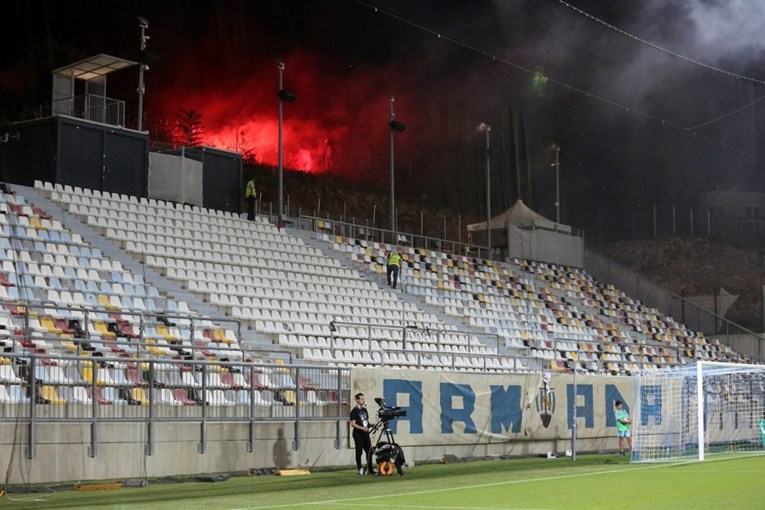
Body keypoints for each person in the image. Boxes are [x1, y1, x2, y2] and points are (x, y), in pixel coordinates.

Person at [350, 392, 374, 475]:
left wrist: (370, 425)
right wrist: (362, 428)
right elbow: (353, 424)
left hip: (366, 435)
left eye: (364, 399)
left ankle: (370, 469)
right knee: (359, 452)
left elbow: (366, 420)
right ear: (357, 400)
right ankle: (360, 469)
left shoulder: (364, 410)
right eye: (362, 399)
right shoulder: (354, 411)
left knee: (370, 451)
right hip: (358, 435)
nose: (363, 400)